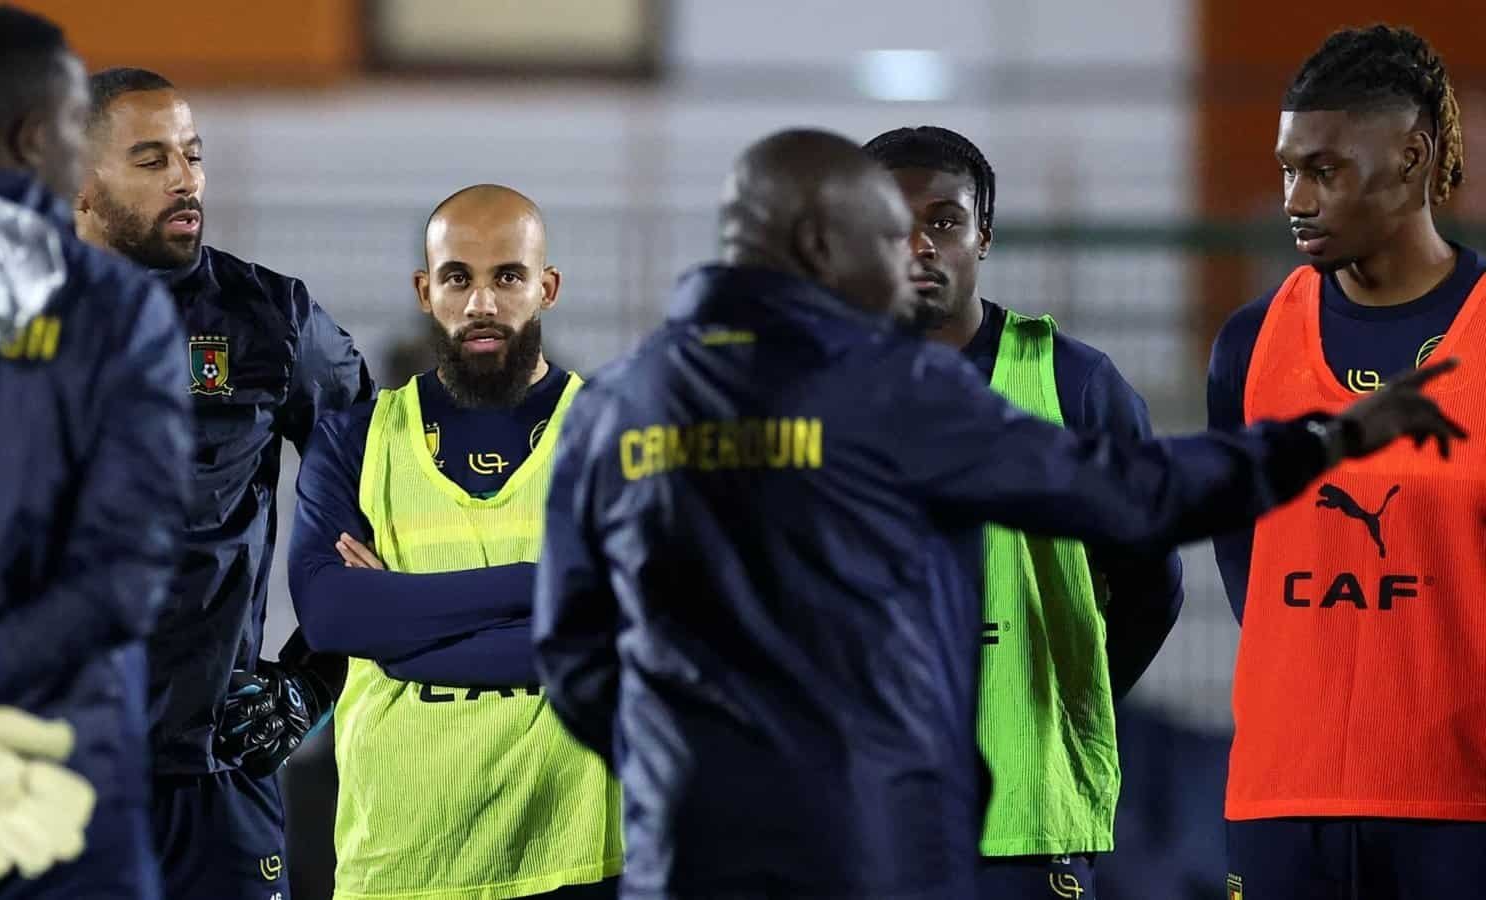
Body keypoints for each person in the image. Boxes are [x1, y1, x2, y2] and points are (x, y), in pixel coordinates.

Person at [531, 128, 1464, 899]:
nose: (906, 259)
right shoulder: (884, 388)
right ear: (820, 244)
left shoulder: (616, 406)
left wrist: (686, 760)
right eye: (881, 236)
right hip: (871, 847)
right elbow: (1133, 492)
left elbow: (572, 652)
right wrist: (1326, 439)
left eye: (935, 227)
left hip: (682, 854)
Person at [0, 6, 191, 898]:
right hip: (57, 777)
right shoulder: (117, 309)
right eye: (70, 124)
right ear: (30, 137)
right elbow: (125, 575)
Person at [861, 124, 1184, 898]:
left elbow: (1153, 584)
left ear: (984, 236)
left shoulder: (1075, 385)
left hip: (1026, 823)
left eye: (945, 221)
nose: (920, 245)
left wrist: (1070, 700)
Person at [74, 66, 373, 899]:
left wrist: (315, 678)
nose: (186, 179)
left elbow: (391, 497)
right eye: (151, 159)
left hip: (216, 784)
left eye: (193, 155)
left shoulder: (270, 320)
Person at [1208, 25, 1486, 900]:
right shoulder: (1248, 346)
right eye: (1289, 170)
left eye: (1324, 171)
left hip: (1460, 806)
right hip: (1282, 799)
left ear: (1413, 157)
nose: (1296, 199)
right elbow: (1246, 564)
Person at [289, 184, 622, 900]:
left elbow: (630, 636)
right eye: (458, 278)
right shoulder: (356, 440)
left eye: (508, 277)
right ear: (425, 290)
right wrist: (552, 586)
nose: (482, 303)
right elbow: (333, 617)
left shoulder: (616, 433)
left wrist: (396, 633)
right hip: (398, 864)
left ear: (548, 287)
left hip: (573, 861)